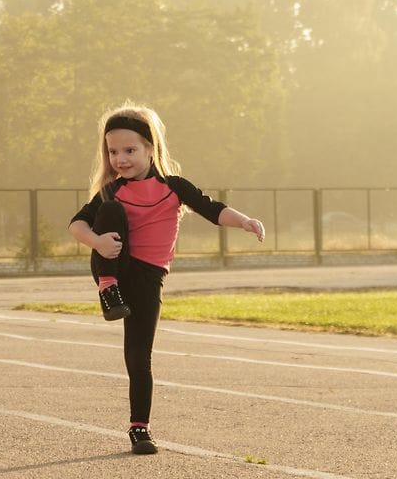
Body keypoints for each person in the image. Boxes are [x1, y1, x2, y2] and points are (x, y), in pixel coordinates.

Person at [68, 103, 266, 455]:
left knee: (139, 356)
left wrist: (246, 221)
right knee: (109, 211)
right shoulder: (112, 192)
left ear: (150, 148)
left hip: (149, 278)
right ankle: (108, 291)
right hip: (116, 267)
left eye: (129, 151)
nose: (121, 159)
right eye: (114, 152)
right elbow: (77, 225)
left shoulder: (174, 187)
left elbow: (212, 208)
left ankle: (139, 429)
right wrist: (97, 241)